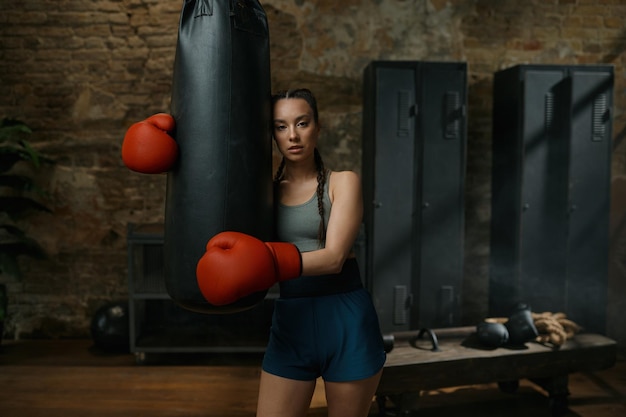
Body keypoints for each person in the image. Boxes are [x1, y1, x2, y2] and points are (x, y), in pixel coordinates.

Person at [255, 88, 386, 417]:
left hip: (345, 321)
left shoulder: (342, 182)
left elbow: (333, 258)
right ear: (271, 133)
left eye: (302, 123)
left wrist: (262, 264)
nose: (293, 135)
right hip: (292, 321)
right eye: (281, 126)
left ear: (318, 126)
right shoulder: (265, 194)